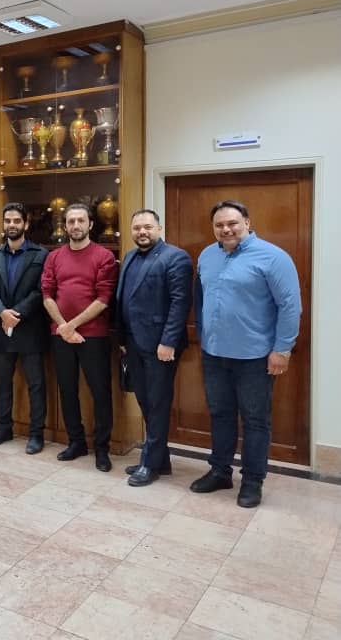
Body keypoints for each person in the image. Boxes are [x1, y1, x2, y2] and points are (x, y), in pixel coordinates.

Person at [191, 200, 300, 508]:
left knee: (255, 420)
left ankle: (252, 481)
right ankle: (220, 471)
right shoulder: (207, 256)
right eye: (219, 225)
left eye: (232, 223)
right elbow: (200, 298)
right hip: (214, 354)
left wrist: (282, 350)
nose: (226, 229)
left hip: (254, 357)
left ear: (247, 223)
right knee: (220, 414)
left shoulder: (274, 257)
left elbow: (290, 306)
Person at [115, 209, 193, 487]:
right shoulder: (129, 256)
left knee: (158, 403)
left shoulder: (176, 258)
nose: (142, 232)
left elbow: (180, 302)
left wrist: (168, 341)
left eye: (147, 227)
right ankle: (161, 459)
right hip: (133, 343)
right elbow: (124, 299)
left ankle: (150, 464)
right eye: (137, 228)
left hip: (161, 346)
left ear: (159, 228)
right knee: (145, 401)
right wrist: (122, 338)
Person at [41, 203, 119, 471]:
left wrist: (71, 325)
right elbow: (47, 294)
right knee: (67, 390)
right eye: (71, 221)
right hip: (60, 335)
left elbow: (104, 298)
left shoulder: (104, 256)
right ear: (65, 226)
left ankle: (102, 448)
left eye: (81, 221)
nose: (76, 225)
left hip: (94, 336)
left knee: (100, 392)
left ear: (90, 224)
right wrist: (64, 327)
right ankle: (76, 442)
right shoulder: (54, 257)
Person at [0, 202, 49, 453]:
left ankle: (36, 434)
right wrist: (2, 312)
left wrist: (16, 313)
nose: (12, 225)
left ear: (26, 224)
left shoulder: (40, 255)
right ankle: (3, 428)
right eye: (8, 221)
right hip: (1, 329)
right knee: (2, 383)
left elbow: (40, 291)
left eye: (17, 221)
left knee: (36, 384)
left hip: (30, 328)